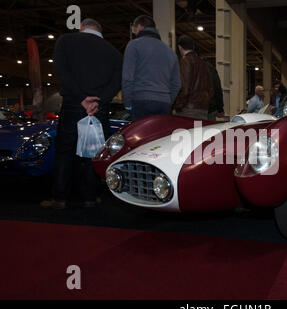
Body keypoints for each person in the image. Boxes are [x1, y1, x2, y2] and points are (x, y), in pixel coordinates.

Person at [40, 18, 122, 210]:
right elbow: (117, 83)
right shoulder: (114, 52)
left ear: (82, 28)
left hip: (73, 105)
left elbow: (61, 71)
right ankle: (90, 197)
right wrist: (97, 101)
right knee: (93, 153)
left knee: (64, 152)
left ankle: (59, 198)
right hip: (99, 109)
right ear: (99, 30)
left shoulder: (66, 41)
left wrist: (81, 98)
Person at [122, 15, 181, 121]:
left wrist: (128, 104)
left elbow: (127, 77)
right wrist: (167, 100)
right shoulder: (170, 52)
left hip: (141, 100)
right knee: (160, 137)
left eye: (134, 30)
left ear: (139, 27)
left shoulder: (134, 45)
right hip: (164, 103)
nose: (135, 33)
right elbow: (176, 84)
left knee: (141, 136)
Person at [173, 35, 214, 120]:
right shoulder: (204, 64)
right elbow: (211, 89)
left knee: (185, 133)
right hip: (203, 109)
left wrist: (177, 106)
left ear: (179, 47)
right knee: (198, 132)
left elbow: (184, 87)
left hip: (188, 109)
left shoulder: (185, 62)